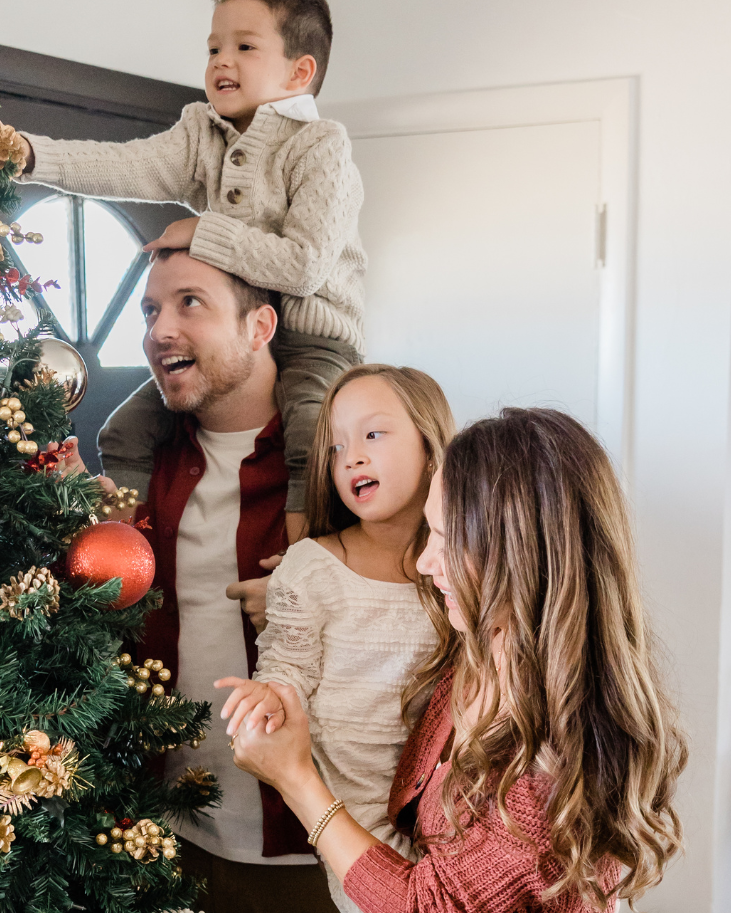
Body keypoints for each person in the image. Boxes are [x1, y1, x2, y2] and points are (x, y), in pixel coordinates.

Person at [222, 408, 687, 912]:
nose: (425, 563)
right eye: (428, 534)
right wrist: (297, 595)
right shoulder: (487, 653)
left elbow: (424, 905)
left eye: (447, 538)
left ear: (519, 554)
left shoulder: (545, 777)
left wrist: (295, 779)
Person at [0, 0, 366, 543]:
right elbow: (125, 165)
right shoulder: (202, 133)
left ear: (300, 72)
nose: (221, 60)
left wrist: (201, 231)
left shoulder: (320, 146)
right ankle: (125, 550)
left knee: (310, 438)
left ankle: (299, 570)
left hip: (312, 336)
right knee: (125, 432)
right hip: (225, 340)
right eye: (214, 46)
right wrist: (31, 154)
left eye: (244, 46)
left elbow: (304, 266)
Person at [123, 247, 336, 913]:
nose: (160, 331)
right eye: (151, 310)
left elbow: (434, 600)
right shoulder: (140, 466)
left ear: (260, 327)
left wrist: (316, 604)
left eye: (191, 302)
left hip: (313, 850)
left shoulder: (342, 463)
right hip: (166, 835)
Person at [219, 365, 454, 913]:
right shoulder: (313, 567)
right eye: (336, 446)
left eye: (373, 434)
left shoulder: (461, 563)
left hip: (446, 808)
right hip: (352, 811)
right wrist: (268, 694)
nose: (351, 457)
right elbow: (286, 668)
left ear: (430, 441)